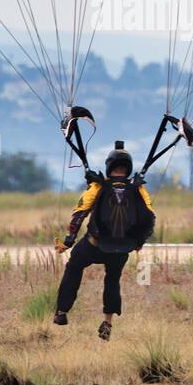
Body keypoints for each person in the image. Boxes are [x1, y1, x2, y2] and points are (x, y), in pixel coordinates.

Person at [54, 142, 155, 341]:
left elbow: (79, 214)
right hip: (121, 248)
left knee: (74, 266)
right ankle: (107, 322)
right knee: (112, 279)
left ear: (109, 166)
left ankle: (62, 312)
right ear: (128, 167)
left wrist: (69, 241)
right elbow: (149, 217)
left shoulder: (98, 185)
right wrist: (139, 243)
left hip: (93, 245)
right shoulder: (138, 188)